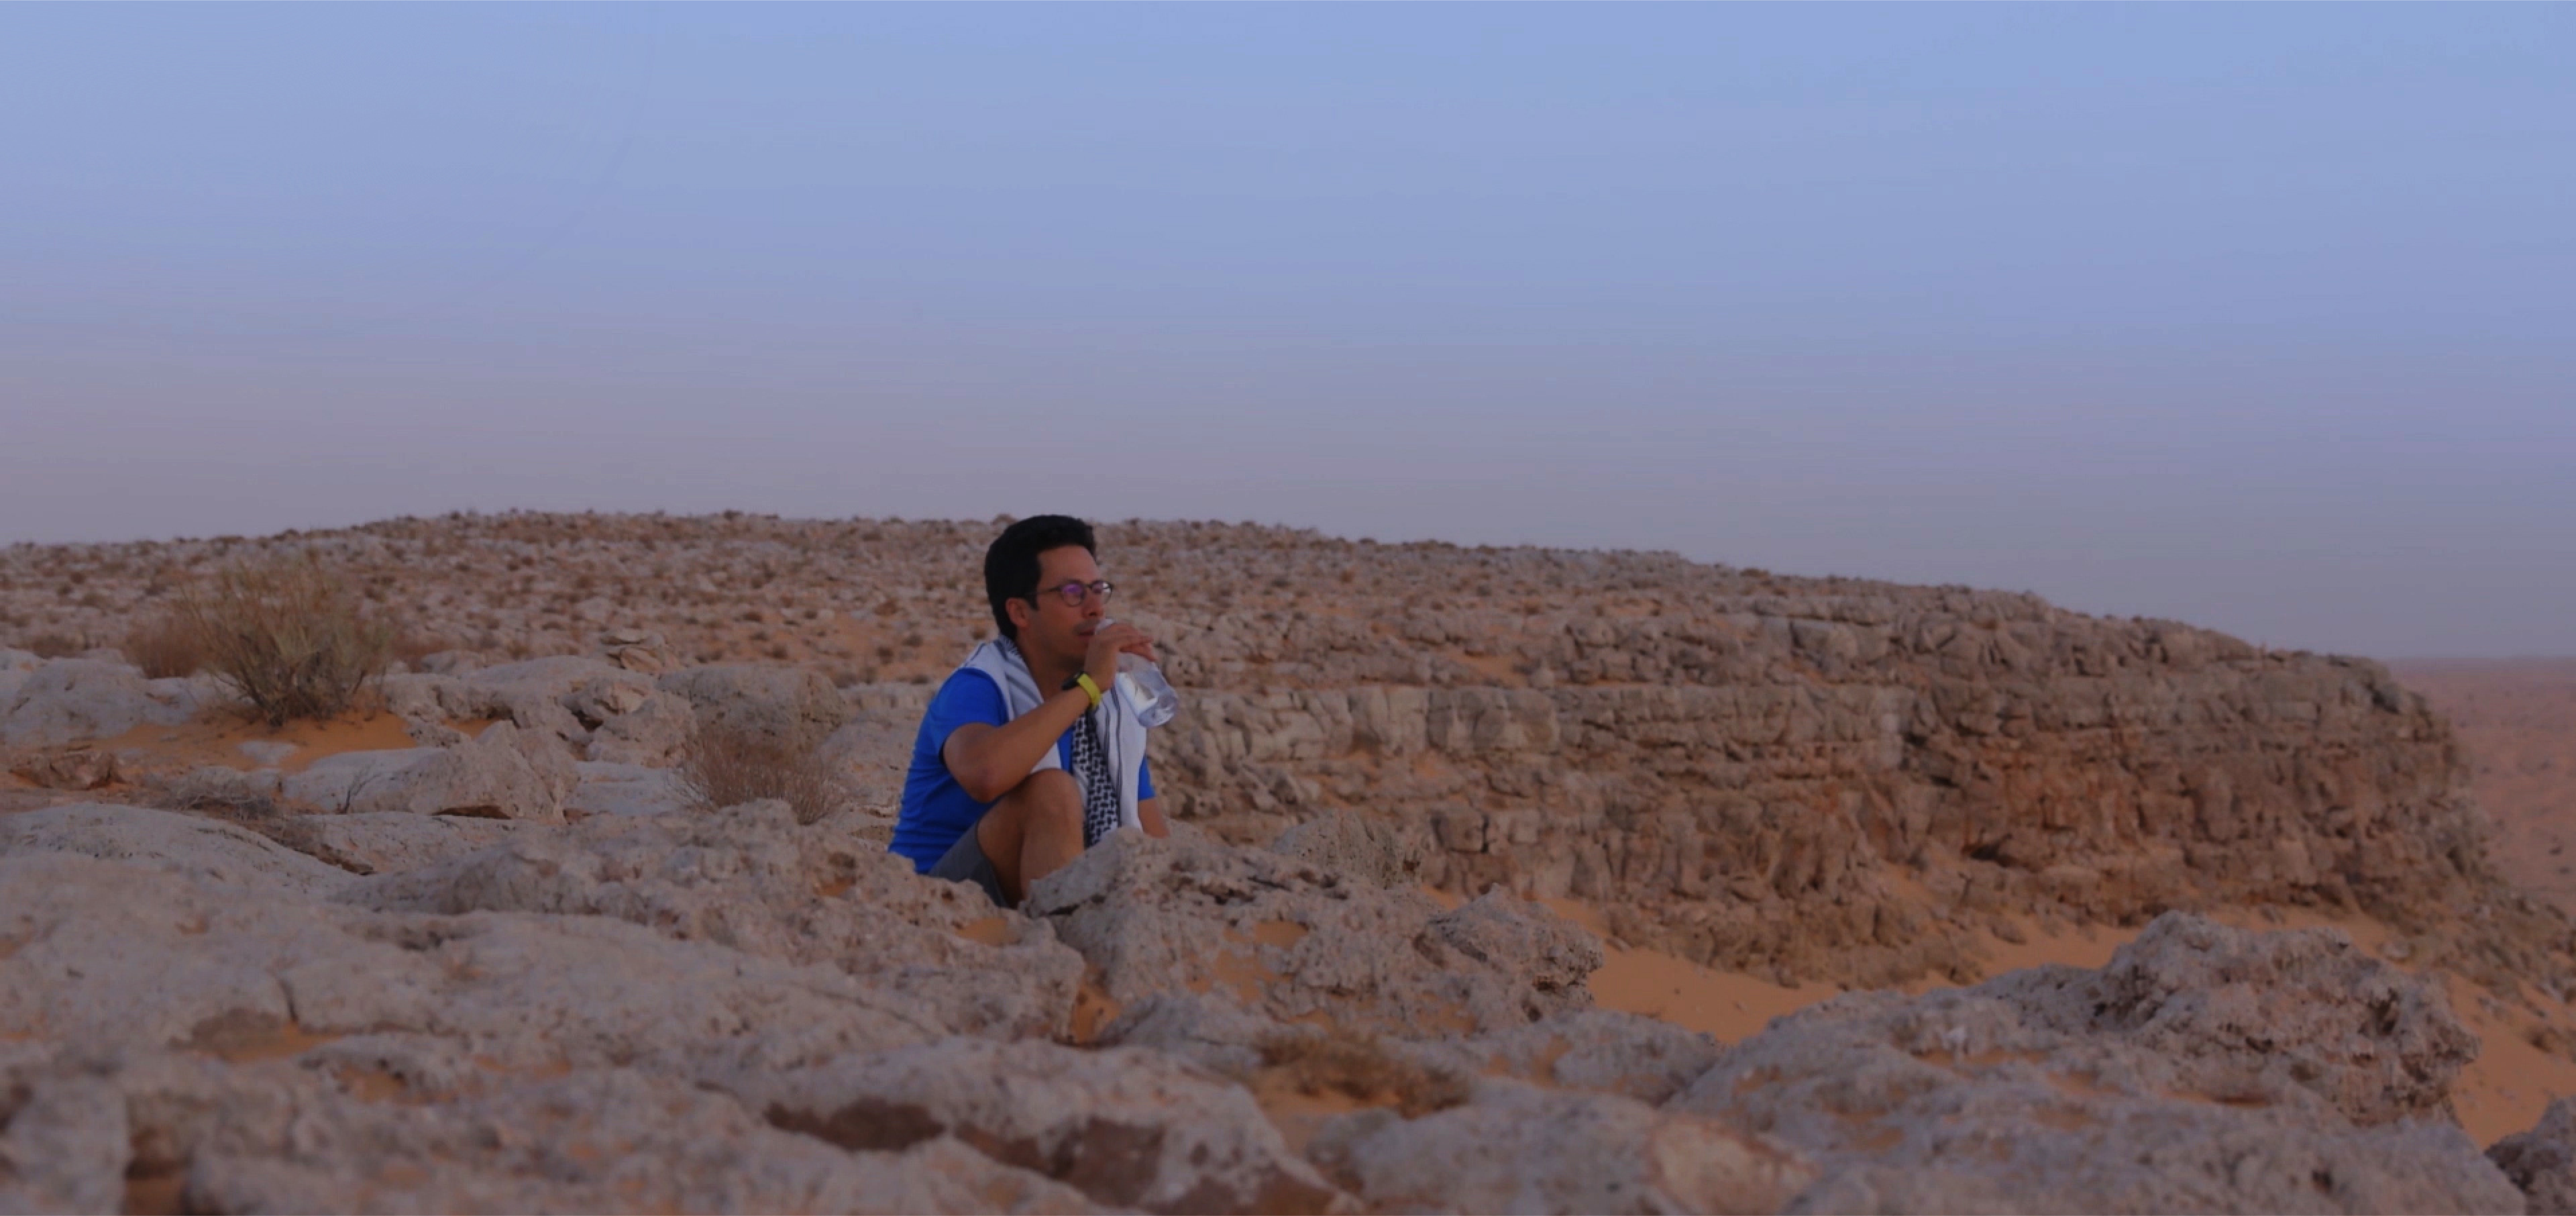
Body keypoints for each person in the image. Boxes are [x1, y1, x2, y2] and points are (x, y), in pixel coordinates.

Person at [890, 515, 1169, 906]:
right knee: (1051, 791)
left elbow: (1152, 838)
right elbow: (983, 774)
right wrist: (1086, 686)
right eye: (1073, 592)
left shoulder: (1110, 710)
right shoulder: (977, 686)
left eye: (1098, 589)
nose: (1094, 608)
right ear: (1021, 613)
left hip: (1025, 894)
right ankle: (1067, 945)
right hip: (933, 901)